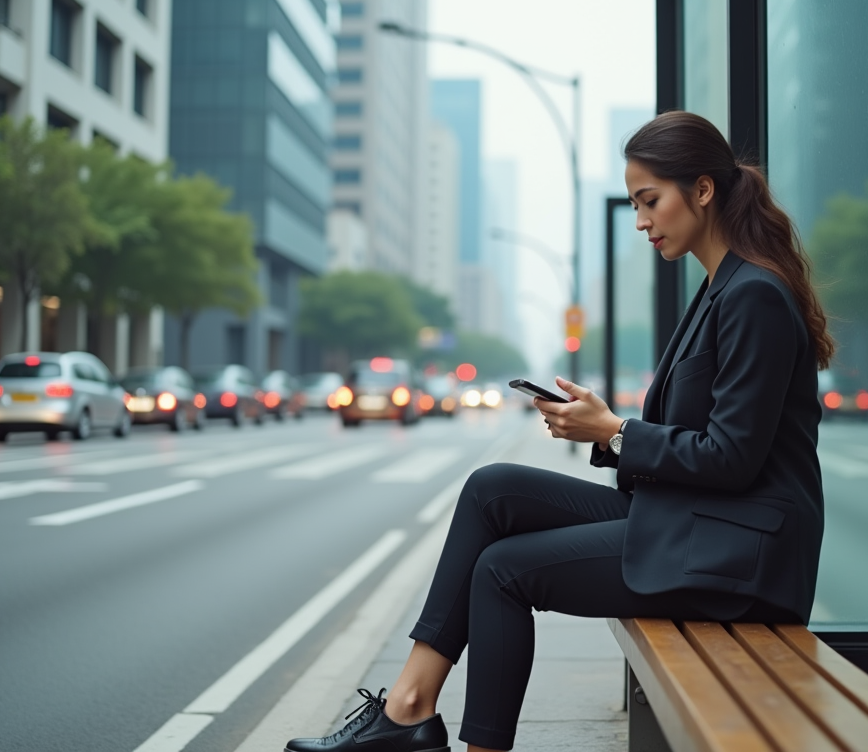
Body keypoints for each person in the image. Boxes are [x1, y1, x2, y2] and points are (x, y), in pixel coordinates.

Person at [284, 110, 834, 752]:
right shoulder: (720, 288)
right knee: (493, 490)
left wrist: (617, 429)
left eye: (650, 201)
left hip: (740, 558)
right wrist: (603, 428)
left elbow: (733, 457)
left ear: (703, 190)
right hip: (696, 522)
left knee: (502, 572)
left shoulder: (753, 295)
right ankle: (408, 707)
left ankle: (429, 726)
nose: (641, 222)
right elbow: (695, 437)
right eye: (634, 204)